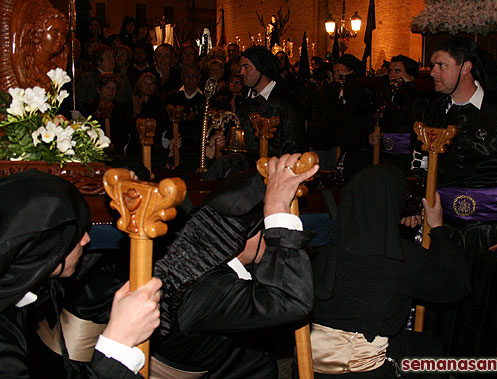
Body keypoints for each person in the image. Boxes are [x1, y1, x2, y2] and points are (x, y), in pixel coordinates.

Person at [408, 37, 497, 362]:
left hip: (489, 232)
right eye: (432, 65)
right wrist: (413, 204)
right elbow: (418, 165)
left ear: (466, 67)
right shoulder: (432, 112)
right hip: (442, 229)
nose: (433, 72)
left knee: (481, 310)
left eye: (441, 65)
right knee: (439, 307)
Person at [150, 153, 318, 377]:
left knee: (261, 361)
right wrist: (276, 208)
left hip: (218, 356)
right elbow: (292, 301)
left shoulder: (209, 257)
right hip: (168, 374)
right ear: (243, 234)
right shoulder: (209, 286)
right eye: (267, 228)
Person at [311, 165, 470, 377]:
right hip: (364, 369)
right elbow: (457, 285)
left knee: (419, 342)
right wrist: (439, 230)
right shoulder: (403, 257)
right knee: (429, 349)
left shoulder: (325, 252)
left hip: (310, 364)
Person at [0, 170, 162, 378]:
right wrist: (118, 342)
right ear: (41, 248)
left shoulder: (15, 281)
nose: (87, 239)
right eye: (76, 234)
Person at [237, 45, 307, 161]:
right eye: (241, 67)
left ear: (261, 68)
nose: (241, 72)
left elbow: (293, 145)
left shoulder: (286, 102)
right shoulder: (245, 100)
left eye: (246, 67)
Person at [368, 55, 425, 173]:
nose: (392, 75)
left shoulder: (418, 97)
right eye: (390, 71)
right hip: (385, 156)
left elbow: (412, 117)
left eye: (397, 71)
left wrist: (409, 86)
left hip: (406, 158)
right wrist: (372, 135)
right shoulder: (385, 94)